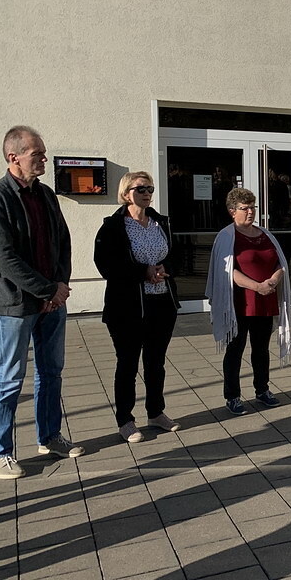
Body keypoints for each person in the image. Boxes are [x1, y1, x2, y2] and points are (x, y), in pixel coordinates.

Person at [0, 125, 83, 479]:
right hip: (16, 307)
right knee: (9, 378)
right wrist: (46, 290)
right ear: (14, 157)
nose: (44, 160)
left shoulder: (46, 195)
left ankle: (49, 437)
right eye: (37, 154)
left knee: (51, 373)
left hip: (52, 302)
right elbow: (4, 258)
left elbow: (63, 241)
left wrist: (60, 285)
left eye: (43, 153)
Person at [94, 171, 182, 442]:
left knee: (156, 363)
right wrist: (142, 272)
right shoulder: (113, 226)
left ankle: (156, 412)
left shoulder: (160, 223)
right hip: (127, 307)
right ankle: (126, 420)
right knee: (128, 364)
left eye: (150, 189)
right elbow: (106, 265)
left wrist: (165, 268)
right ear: (126, 193)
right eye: (140, 188)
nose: (146, 193)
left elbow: (177, 255)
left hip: (161, 303)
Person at [206, 187, 291, 415]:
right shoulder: (227, 237)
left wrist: (274, 280)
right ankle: (232, 396)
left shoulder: (265, 234)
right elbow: (226, 271)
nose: (250, 212)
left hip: (265, 301)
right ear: (232, 211)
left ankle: (262, 390)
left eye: (253, 207)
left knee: (261, 349)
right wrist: (257, 286)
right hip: (239, 304)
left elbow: (279, 262)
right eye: (245, 208)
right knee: (235, 350)